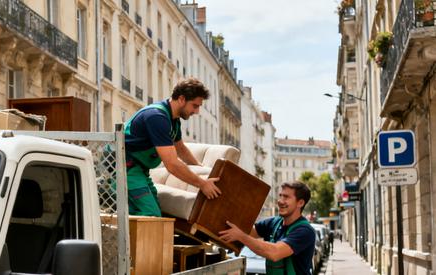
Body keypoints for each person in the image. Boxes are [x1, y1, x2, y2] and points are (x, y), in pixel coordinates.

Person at [122, 78, 221, 217]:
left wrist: (201, 167)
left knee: (156, 212)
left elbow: (180, 149)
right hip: (122, 168)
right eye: (194, 105)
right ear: (181, 99)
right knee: (151, 214)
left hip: (139, 170)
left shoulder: (173, 120)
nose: (197, 111)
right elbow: (172, 165)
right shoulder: (157, 117)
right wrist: (203, 184)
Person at [218, 182, 316, 275]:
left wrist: (241, 237)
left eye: (286, 197)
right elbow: (248, 231)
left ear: (300, 203)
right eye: (280, 196)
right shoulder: (274, 223)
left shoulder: (305, 231)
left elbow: (274, 253)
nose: (280, 201)